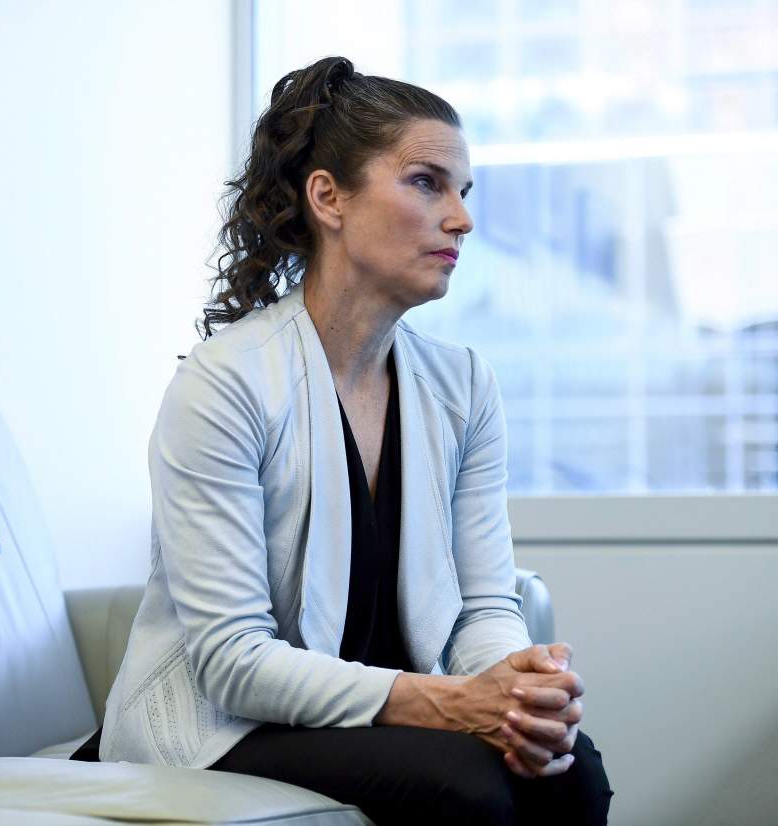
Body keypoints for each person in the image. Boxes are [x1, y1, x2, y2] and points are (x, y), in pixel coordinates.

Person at [77, 56, 613, 824]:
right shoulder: (226, 383)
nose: (460, 217)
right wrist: (454, 703)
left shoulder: (464, 387)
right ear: (328, 197)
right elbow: (232, 662)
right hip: (226, 726)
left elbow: (485, 602)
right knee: (467, 786)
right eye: (427, 183)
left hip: (376, 715)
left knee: (569, 772)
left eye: (464, 193)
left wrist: (517, 694)